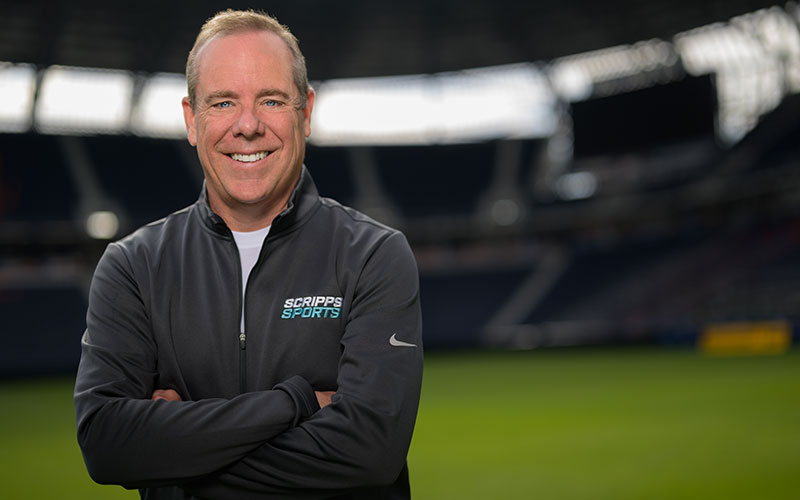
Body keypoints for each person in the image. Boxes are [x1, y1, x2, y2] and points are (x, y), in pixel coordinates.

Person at [73, 9, 423, 500]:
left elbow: (371, 452)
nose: (248, 125)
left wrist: (173, 451)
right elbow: (107, 445)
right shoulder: (133, 266)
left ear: (305, 113)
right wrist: (298, 403)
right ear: (192, 120)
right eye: (222, 103)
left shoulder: (374, 254)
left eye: (272, 100)